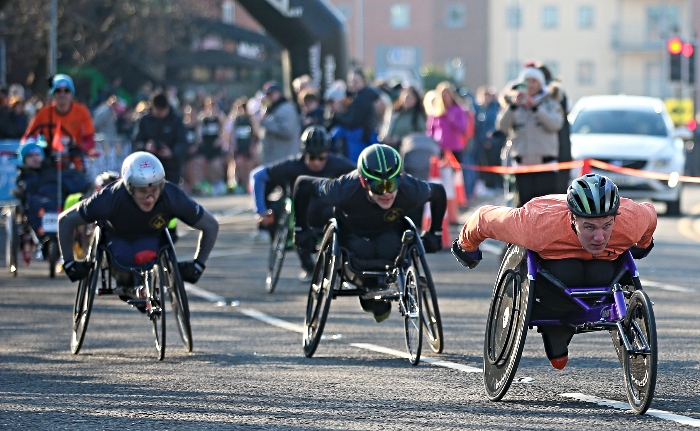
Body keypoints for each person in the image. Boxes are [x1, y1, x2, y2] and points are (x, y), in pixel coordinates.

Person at [452, 173, 657, 370]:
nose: (599, 237)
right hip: (553, 275)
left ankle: (560, 330)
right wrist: (465, 246)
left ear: (616, 217)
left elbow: (650, 215)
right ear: (573, 218)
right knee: (569, 271)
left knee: (601, 273)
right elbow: (484, 219)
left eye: (607, 226)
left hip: (602, 270)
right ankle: (555, 328)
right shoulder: (536, 224)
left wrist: (643, 244)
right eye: (589, 227)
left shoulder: (632, 220)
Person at [293, 143, 447, 322]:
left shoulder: (410, 189)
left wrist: (435, 233)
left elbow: (438, 192)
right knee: (362, 254)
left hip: (389, 233)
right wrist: (301, 229)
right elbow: (302, 184)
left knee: (390, 249)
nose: (387, 193)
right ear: (363, 182)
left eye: (392, 183)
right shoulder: (343, 189)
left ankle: (378, 295)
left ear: (400, 178)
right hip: (352, 235)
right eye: (378, 186)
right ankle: (372, 295)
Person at [58, 152, 219, 297]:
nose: (149, 198)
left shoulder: (172, 196)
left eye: (154, 191)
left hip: (153, 241)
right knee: (124, 262)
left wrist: (199, 265)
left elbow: (210, 225)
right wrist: (69, 262)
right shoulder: (109, 198)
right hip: (117, 243)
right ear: (129, 188)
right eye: (142, 192)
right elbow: (65, 220)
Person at [252, 125, 354, 281]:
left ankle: (342, 265)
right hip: (300, 213)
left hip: (328, 210)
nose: (316, 163)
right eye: (311, 157)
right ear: (304, 153)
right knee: (295, 218)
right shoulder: (293, 166)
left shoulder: (337, 164)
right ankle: (307, 266)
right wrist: (260, 210)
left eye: (321, 158)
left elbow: (360, 176)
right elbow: (258, 176)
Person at [496, 65, 564, 206]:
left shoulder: (550, 103)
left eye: (534, 81)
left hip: (545, 166)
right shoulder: (514, 106)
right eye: (527, 81)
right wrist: (513, 106)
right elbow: (502, 126)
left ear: (540, 84)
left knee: (546, 208)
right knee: (524, 208)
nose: (531, 85)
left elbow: (555, 125)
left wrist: (536, 108)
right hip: (522, 165)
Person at [23, 74, 96, 170]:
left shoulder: (82, 112)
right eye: (58, 91)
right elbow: (28, 138)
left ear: (72, 93)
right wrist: (39, 149)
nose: (62, 94)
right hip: (49, 165)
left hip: (75, 165)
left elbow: (90, 141)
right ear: (53, 93)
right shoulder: (43, 113)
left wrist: (79, 149)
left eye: (66, 90)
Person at [132, 92, 189, 186]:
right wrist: (145, 146)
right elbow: (136, 141)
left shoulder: (176, 121)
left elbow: (183, 142)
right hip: (149, 165)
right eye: (158, 110)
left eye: (163, 110)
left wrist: (171, 152)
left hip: (171, 166)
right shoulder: (145, 121)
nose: (161, 113)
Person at [334, 68, 380, 163]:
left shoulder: (362, 98)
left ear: (364, 82)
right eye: (351, 81)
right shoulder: (364, 96)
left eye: (356, 81)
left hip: (359, 138)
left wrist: (339, 115)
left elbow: (352, 122)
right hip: (364, 136)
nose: (352, 84)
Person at [259, 81, 301, 165]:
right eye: (267, 94)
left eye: (271, 94)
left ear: (279, 93)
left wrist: (267, 121)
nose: (268, 97)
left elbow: (287, 131)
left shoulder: (287, 109)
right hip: (274, 160)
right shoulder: (272, 109)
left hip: (285, 160)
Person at [382, 86, 427, 150]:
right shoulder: (394, 111)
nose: (408, 100)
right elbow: (385, 126)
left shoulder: (418, 115)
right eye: (407, 97)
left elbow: (421, 135)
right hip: (389, 148)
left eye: (411, 98)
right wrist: (385, 137)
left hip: (408, 150)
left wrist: (400, 139)